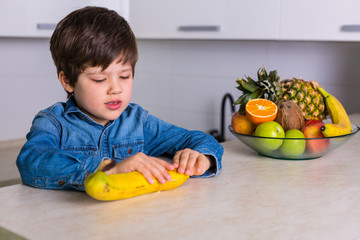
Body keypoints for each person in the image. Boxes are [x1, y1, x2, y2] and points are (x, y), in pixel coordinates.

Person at [16, 6, 223, 191]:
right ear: (68, 81)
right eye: (99, 79)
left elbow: (199, 140)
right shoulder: (54, 123)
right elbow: (31, 161)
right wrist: (108, 168)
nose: (116, 89)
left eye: (125, 76)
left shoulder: (138, 122)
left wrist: (200, 156)